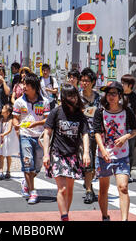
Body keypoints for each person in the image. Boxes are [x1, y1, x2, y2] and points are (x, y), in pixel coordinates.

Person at [43, 84, 90, 222]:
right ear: (64, 97)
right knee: (62, 189)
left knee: (69, 189)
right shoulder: (56, 112)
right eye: (70, 95)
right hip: (57, 153)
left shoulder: (80, 115)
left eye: (74, 95)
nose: (73, 98)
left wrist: (86, 152)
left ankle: (65, 214)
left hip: (73, 154)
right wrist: (46, 154)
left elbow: (85, 134)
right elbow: (47, 133)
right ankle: (64, 217)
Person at [93, 81, 136, 221]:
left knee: (123, 187)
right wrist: (103, 150)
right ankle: (105, 216)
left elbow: (135, 130)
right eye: (108, 93)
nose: (110, 96)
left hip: (122, 156)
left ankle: (124, 219)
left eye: (113, 93)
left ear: (120, 95)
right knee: (103, 190)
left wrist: (125, 137)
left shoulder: (127, 111)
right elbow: (97, 132)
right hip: (104, 155)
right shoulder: (100, 111)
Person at [12, 73, 50, 205]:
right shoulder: (19, 102)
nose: (24, 87)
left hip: (39, 137)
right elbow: (15, 118)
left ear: (34, 86)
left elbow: (47, 120)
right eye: (23, 84)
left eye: (27, 84)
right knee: (28, 163)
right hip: (25, 136)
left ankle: (26, 182)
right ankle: (33, 191)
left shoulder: (44, 101)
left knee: (38, 165)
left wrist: (37, 124)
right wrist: (16, 125)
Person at [80, 67, 101, 204]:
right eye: (82, 80)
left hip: (96, 133)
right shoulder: (77, 96)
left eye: (87, 80)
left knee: (93, 164)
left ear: (93, 82)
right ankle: (88, 190)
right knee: (87, 162)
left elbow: (102, 114)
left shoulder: (99, 97)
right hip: (82, 134)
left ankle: (89, 183)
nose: (84, 83)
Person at [121, 74, 136, 180]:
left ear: (130, 85)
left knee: (130, 151)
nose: (122, 85)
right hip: (118, 127)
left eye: (124, 83)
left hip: (131, 128)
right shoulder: (118, 94)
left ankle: (128, 172)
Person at [0, 103, 19, 180]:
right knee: (1, 155)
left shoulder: (10, 120)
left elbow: (9, 129)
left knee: (8, 155)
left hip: (7, 140)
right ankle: (1, 171)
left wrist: (3, 134)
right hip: (2, 139)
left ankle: (8, 170)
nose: (2, 110)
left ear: (8, 113)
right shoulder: (1, 119)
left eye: (3, 109)